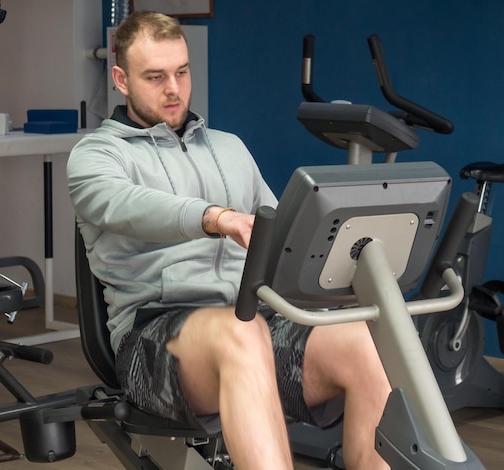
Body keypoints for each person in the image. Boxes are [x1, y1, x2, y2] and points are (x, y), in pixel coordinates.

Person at [67, 11, 391, 470]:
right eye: (155, 77)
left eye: (181, 72)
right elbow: (130, 205)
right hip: (156, 337)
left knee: (361, 338)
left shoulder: (229, 147)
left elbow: (281, 235)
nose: (174, 89)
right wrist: (215, 217)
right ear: (120, 79)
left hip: (253, 318)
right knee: (242, 335)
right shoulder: (96, 156)